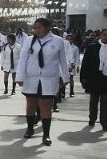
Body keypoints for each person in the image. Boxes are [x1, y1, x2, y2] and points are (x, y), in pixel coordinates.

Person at [16, 18, 69, 146]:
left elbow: (62, 60)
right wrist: (20, 77)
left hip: (49, 78)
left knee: (46, 107)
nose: (36, 30)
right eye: (35, 28)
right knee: (31, 105)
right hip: (31, 78)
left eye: (39, 27)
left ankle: (46, 135)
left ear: (47, 27)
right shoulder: (29, 41)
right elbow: (23, 60)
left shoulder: (58, 41)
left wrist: (66, 78)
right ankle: (30, 128)